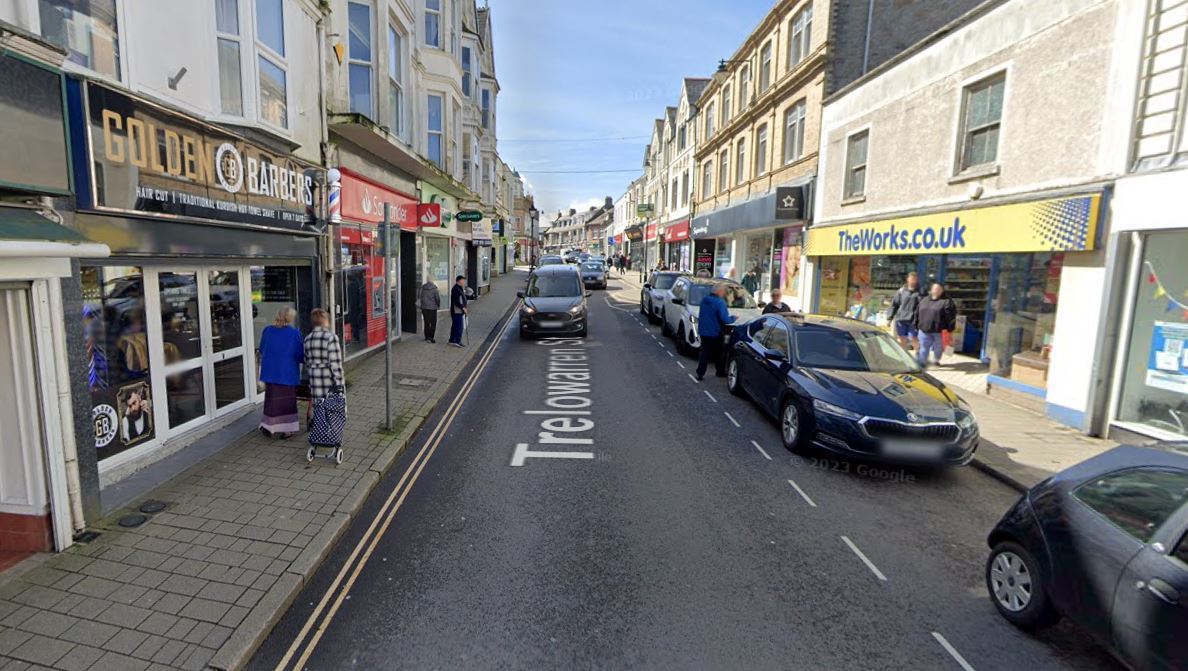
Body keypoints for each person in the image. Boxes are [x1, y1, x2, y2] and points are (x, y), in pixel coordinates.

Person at [257, 307, 304, 438]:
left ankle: (268, 426)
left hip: (270, 371)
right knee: (287, 402)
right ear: (290, 319)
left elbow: (261, 349)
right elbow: (300, 355)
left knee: (271, 401)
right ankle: (287, 429)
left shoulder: (267, 330)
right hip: (286, 372)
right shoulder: (294, 333)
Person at [695, 283, 737, 381]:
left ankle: (700, 373)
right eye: (723, 291)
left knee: (704, 353)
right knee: (720, 352)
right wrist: (734, 318)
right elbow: (725, 319)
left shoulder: (704, 300)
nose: (724, 293)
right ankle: (720, 371)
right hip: (715, 332)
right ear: (718, 291)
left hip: (704, 331)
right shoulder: (719, 302)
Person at [305, 308, 345, 401]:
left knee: (319, 413)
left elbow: (306, 362)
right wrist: (340, 385)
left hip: (315, 382)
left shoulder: (307, 338)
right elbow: (336, 365)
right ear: (325, 320)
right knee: (334, 413)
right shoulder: (331, 337)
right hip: (329, 382)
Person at [914, 282, 957, 367]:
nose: (936, 291)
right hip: (924, 329)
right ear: (931, 290)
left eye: (939, 289)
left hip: (939, 331)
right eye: (935, 288)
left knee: (938, 348)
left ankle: (936, 360)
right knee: (924, 348)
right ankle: (922, 363)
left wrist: (950, 329)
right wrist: (915, 324)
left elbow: (951, 317)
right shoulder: (924, 300)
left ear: (942, 291)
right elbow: (917, 312)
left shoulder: (947, 301)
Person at [889, 271, 925, 351]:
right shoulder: (901, 291)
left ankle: (918, 357)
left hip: (914, 320)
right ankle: (904, 357)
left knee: (913, 338)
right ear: (908, 279)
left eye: (915, 279)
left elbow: (925, 305)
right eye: (912, 279)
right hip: (901, 319)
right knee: (902, 339)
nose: (913, 281)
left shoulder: (921, 291)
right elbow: (894, 305)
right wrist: (889, 318)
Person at [449, 275, 468, 347]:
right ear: (459, 281)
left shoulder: (459, 288)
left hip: (458, 311)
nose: (464, 282)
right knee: (459, 327)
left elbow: (462, 298)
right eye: (463, 280)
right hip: (457, 311)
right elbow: (456, 301)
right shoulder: (456, 289)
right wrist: (463, 307)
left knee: (455, 326)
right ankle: (457, 341)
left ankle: (452, 340)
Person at [419, 278, 440, 343]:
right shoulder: (434, 289)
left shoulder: (422, 288)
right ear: (432, 282)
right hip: (433, 308)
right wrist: (438, 305)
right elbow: (437, 299)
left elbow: (420, 297)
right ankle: (431, 337)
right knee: (433, 323)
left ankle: (427, 337)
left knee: (426, 323)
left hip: (424, 308)